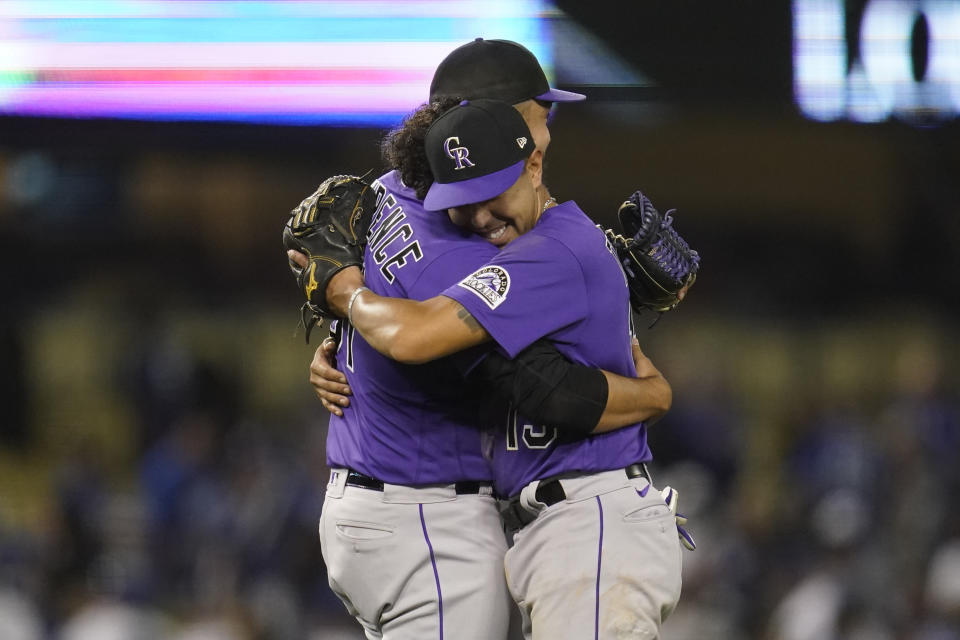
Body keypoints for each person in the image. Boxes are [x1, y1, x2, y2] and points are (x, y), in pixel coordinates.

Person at [295, 39, 675, 640]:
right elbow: (544, 387)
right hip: (434, 519)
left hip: (553, 517)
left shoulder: (391, 193)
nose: (547, 129)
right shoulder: (481, 250)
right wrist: (652, 395)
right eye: (536, 111)